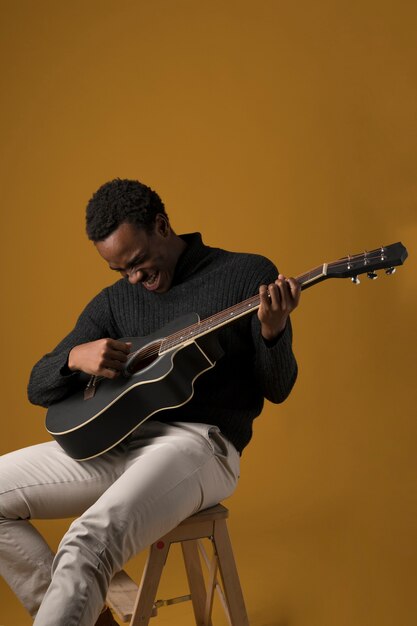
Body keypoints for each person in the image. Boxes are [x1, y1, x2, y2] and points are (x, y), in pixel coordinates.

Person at [0, 178, 300, 625]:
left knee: (87, 542)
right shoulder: (116, 301)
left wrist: (273, 332)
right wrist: (73, 358)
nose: (135, 279)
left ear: (161, 225)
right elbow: (37, 387)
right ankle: (87, 617)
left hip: (200, 447)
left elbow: (277, 388)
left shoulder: (244, 275)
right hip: (115, 445)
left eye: (138, 262)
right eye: (121, 271)